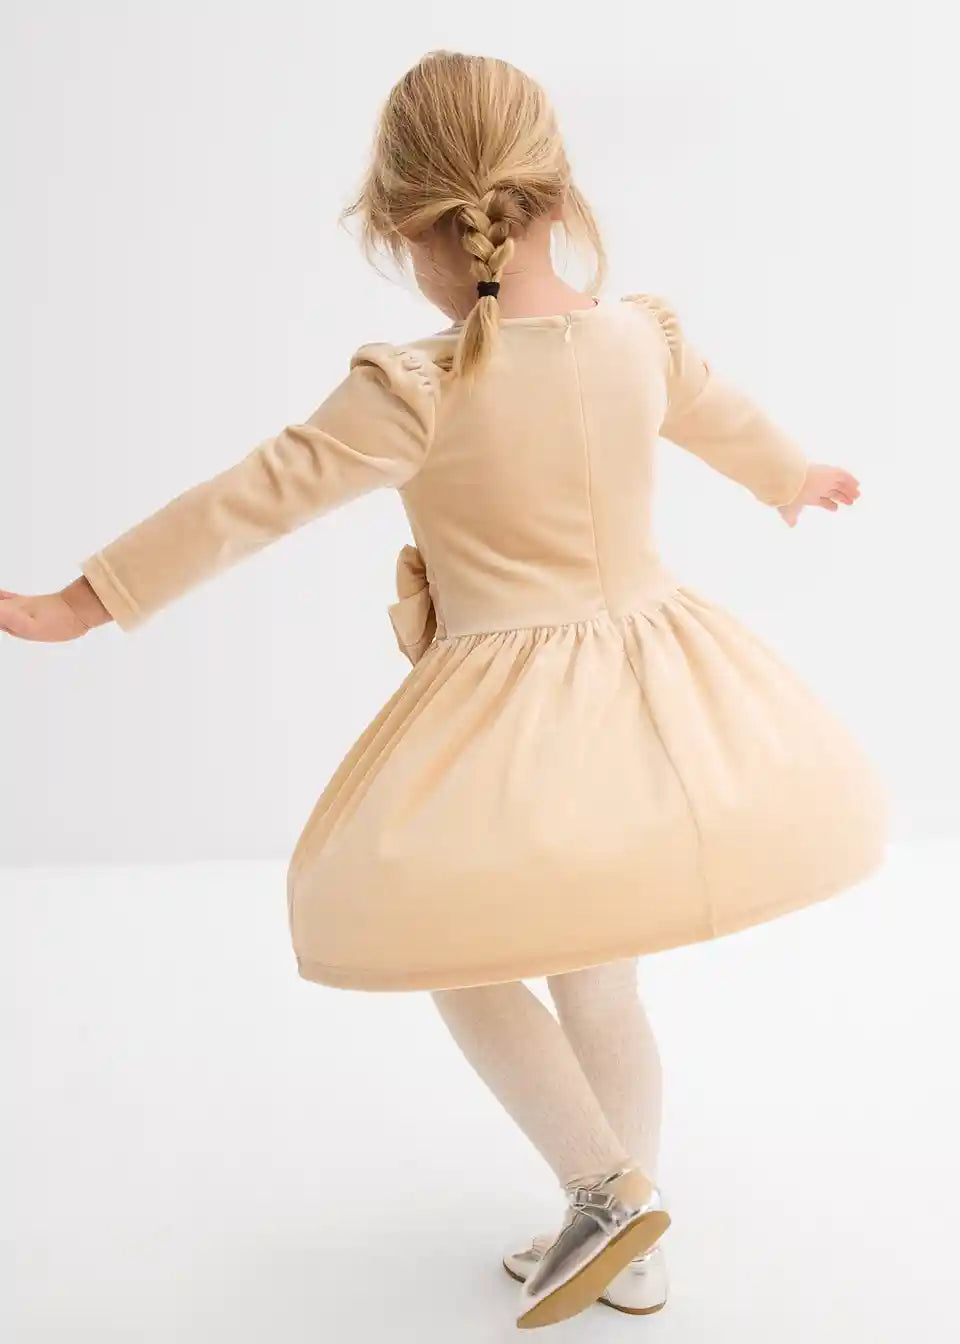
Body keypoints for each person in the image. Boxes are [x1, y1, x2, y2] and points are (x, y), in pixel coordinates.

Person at [1, 49, 888, 1331]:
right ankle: (630, 1234)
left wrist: (86, 600)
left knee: (448, 945)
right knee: (601, 979)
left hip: (512, 721)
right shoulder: (639, 337)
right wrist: (792, 477)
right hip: (654, 695)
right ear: (559, 194)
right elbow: (720, 413)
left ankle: (605, 1192)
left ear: (409, 227)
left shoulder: (418, 384)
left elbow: (252, 498)